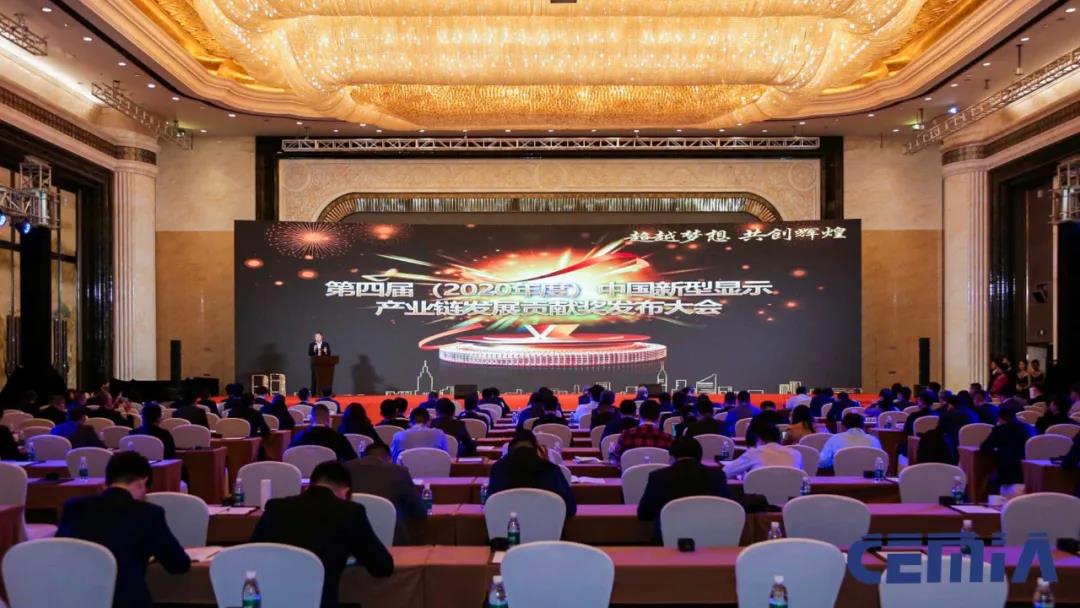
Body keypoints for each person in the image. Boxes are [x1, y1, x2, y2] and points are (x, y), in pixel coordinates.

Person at [57, 452, 190, 608]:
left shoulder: (74, 507)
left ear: (107, 481)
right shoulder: (148, 513)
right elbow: (179, 564)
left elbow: (60, 552)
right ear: (142, 481)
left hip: (77, 600)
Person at [252, 460, 393, 608]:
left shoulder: (276, 507)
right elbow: (382, 567)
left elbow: (253, 553)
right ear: (346, 492)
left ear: (309, 486)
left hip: (273, 601)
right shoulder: (351, 512)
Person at [636, 437, 730, 528]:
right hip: (711, 532)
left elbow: (644, 513)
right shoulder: (717, 475)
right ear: (700, 455)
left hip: (669, 534)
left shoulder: (658, 477)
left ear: (671, 456)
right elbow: (727, 508)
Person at [345, 442, 426, 542]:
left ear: (363, 456)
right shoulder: (399, 472)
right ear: (390, 459)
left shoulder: (344, 468)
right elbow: (419, 511)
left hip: (349, 538)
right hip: (393, 540)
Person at [488, 431, 576, 516]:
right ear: (536, 449)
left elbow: (489, 504)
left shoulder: (498, 469)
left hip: (506, 525)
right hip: (545, 525)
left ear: (510, 449)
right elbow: (570, 508)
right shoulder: (551, 469)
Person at [979, 408, 1035, 494]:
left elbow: (984, 448)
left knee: (989, 478)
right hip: (1029, 471)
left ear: (1000, 418)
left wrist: (997, 449)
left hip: (1007, 472)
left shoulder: (1000, 429)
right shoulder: (1029, 428)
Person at [722, 425, 800, 480]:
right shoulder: (796, 454)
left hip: (757, 497)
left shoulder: (754, 453)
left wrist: (745, 475)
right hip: (792, 498)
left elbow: (726, 472)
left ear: (759, 440)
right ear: (779, 439)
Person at [608, 400, 672, 466]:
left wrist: (611, 453)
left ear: (639, 415)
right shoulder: (668, 439)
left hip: (630, 472)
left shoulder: (626, 435)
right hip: (660, 473)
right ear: (659, 417)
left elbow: (615, 461)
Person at [290, 403, 358, 461]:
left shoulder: (298, 437)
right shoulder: (339, 438)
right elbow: (352, 460)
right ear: (328, 419)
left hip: (303, 471)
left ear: (310, 420)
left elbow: (289, 455)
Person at [818, 412, 882, 469]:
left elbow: (822, 462)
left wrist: (835, 461)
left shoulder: (835, 439)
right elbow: (881, 462)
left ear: (843, 426)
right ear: (863, 426)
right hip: (869, 478)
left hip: (842, 478)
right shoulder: (874, 440)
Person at [899, 390, 938, 457]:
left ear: (920, 401)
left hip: (916, 449)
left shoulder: (913, 416)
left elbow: (906, 432)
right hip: (934, 449)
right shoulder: (937, 416)